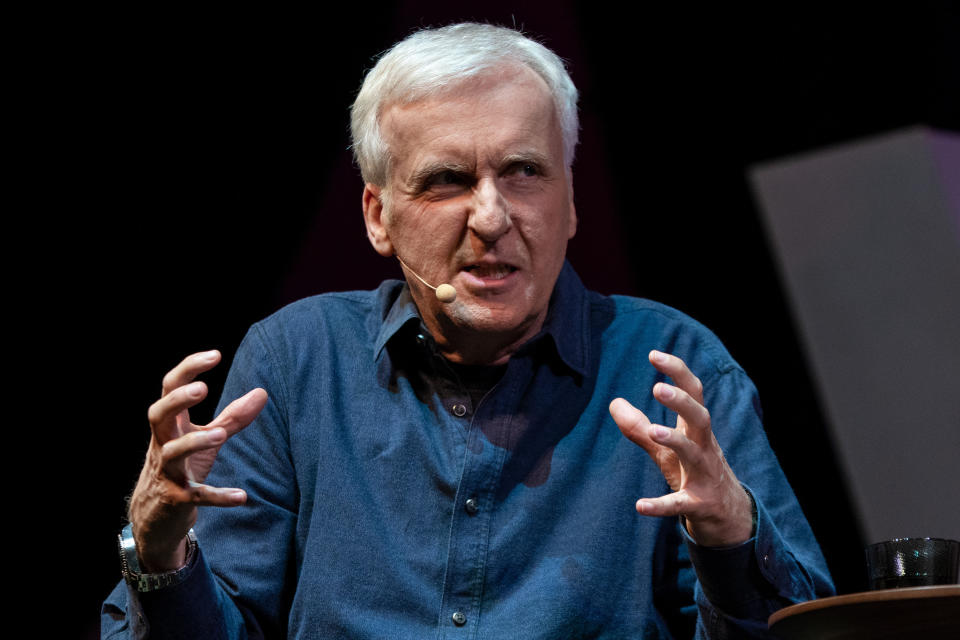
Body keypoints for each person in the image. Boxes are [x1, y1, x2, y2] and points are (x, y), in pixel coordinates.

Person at [102, 23, 834, 639]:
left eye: (523, 172)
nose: (491, 218)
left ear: (570, 204)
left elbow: (804, 628)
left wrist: (731, 535)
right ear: (378, 217)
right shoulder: (297, 362)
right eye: (447, 179)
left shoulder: (675, 369)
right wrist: (160, 557)